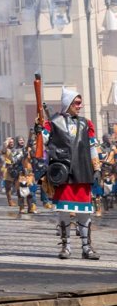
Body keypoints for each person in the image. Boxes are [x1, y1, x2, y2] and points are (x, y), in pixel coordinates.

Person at [42, 86, 100, 260]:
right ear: (68, 104)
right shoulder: (53, 122)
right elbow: (43, 141)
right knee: (64, 211)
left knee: (85, 212)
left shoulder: (86, 123)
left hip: (83, 171)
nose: (80, 106)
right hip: (63, 173)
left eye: (80, 103)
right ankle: (66, 247)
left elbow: (92, 147)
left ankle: (86, 247)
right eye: (77, 103)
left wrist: (96, 168)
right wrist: (39, 131)